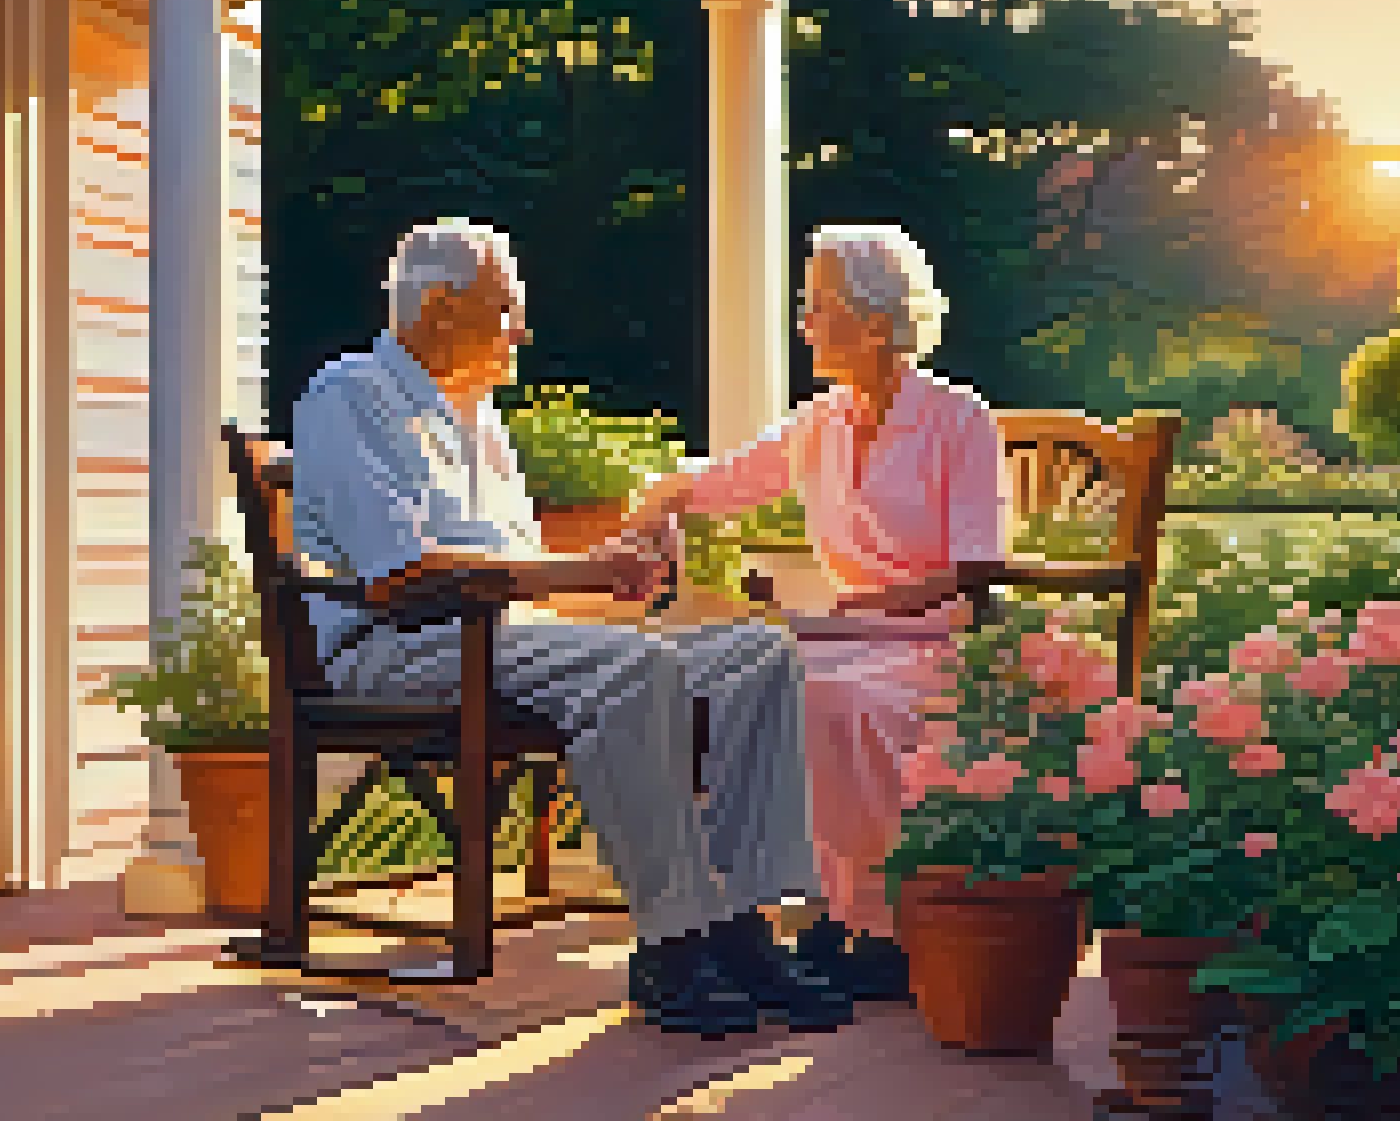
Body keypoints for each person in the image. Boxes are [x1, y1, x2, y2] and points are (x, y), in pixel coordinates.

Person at [291, 218, 853, 1036]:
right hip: (392, 646)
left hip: (499, 644)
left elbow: (527, 591)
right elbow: (401, 572)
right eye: (506, 307)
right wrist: (586, 574)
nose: (522, 328)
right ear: (441, 310)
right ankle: (673, 944)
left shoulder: (482, 425)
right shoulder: (349, 396)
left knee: (755, 654)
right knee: (633, 672)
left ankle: (742, 926)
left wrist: (621, 577)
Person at [617, 224, 1007, 1001]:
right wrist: (656, 502)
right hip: (840, 637)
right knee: (744, 685)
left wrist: (845, 617)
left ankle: (875, 927)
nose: (804, 324)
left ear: (873, 321)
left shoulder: (960, 421)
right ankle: (738, 919)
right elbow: (717, 483)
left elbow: (973, 572)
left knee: (832, 693)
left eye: (817, 305)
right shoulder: (817, 424)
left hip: (934, 638)